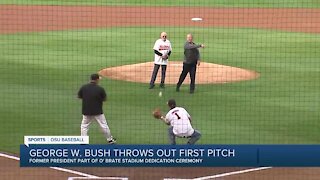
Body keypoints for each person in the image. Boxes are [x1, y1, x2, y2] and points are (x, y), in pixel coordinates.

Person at [78, 73, 116, 144]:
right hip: (98, 111)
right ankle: (110, 140)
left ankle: (83, 141)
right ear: (97, 80)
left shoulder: (84, 87)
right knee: (104, 125)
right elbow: (104, 99)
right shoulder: (100, 89)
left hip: (86, 110)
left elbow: (79, 96)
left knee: (84, 126)